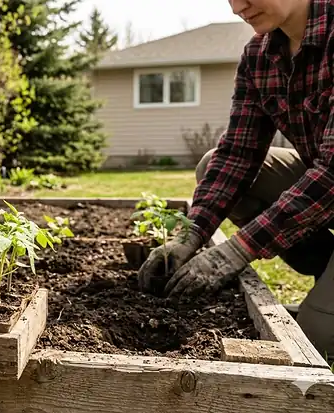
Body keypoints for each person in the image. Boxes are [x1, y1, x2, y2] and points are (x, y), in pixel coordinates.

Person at [137, 0, 334, 363]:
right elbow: (238, 154)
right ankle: (326, 273)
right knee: (213, 164)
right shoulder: (260, 55)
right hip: (324, 190)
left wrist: (237, 250)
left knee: (315, 338)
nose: (236, 7)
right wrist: (190, 234)